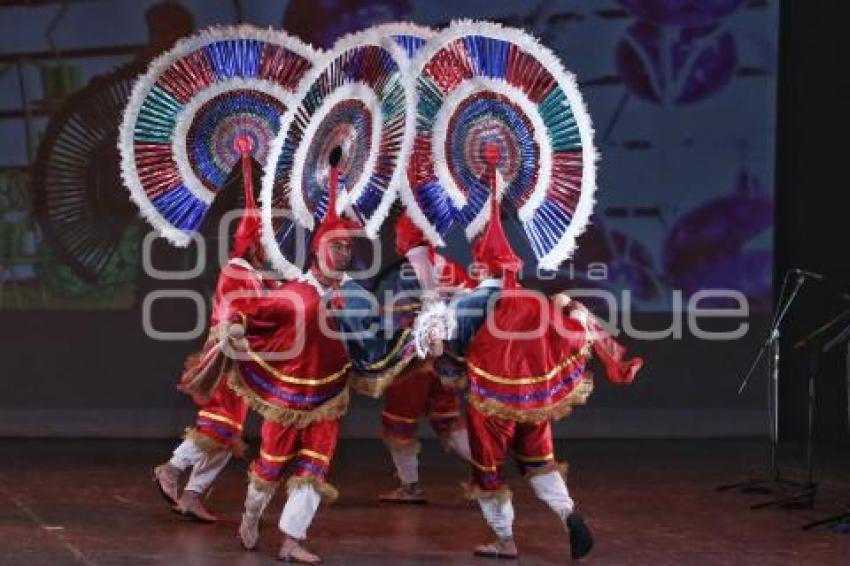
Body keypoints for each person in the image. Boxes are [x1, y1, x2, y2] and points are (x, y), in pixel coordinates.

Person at [446, 145, 643, 560]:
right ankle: (568, 513)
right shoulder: (538, 302)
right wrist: (600, 343)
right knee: (538, 461)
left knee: (489, 468)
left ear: (482, 265)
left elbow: (455, 352)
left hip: (490, 404)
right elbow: (576, 334)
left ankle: (504, 539)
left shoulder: (471, 303)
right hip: (534, 404)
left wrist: (447, 357)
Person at [378, 213, 474, 503]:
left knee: (398, 425)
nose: (396, 240)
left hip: (414, 364)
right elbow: (471, 307)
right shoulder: (453, 268)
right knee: (449, 424)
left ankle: (410, 487)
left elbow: (398, 318)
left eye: (398, 234)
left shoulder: (407, 272)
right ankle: (489, 472)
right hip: (447, 363)